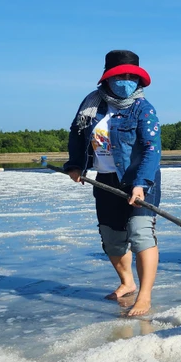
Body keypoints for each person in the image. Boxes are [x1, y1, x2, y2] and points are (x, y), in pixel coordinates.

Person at [64, 50, 162, 316]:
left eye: (132, 76)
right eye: (120, 75)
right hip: (106, 180)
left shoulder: (143, 109)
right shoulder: (91, 104)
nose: (126, 81)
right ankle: (127, 282)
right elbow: (77, 134)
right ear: (107, 78)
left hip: (139, 180)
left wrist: (141, 184)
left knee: (141, 234)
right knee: (112, 238)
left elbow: (152, 149)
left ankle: (144, 295)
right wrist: (75, 164)